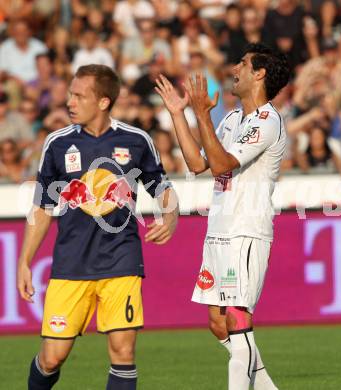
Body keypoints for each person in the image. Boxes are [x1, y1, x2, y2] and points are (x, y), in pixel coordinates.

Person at [17, 64, 179, 390]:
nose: (70, 102)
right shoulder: (57, 145)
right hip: (71, 262)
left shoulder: (135, 140)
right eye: (71, 94)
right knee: (52, 358)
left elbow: (162, 188)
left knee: (123, 351)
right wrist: (24, 261)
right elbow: (43, 208)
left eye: (79, 95)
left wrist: (171, 216)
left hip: (121, 258)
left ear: (103, 101)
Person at [155, 43, 290, 390]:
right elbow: (198, 163)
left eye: (242, 64)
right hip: (219, 231)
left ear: (259, 74)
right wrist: (178, 114)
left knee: (236, 317)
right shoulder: (232, 118)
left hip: (245, 231)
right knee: (218, 323)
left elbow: (222, 164)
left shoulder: (267, 121)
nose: (234, 69)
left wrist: (202, 114)